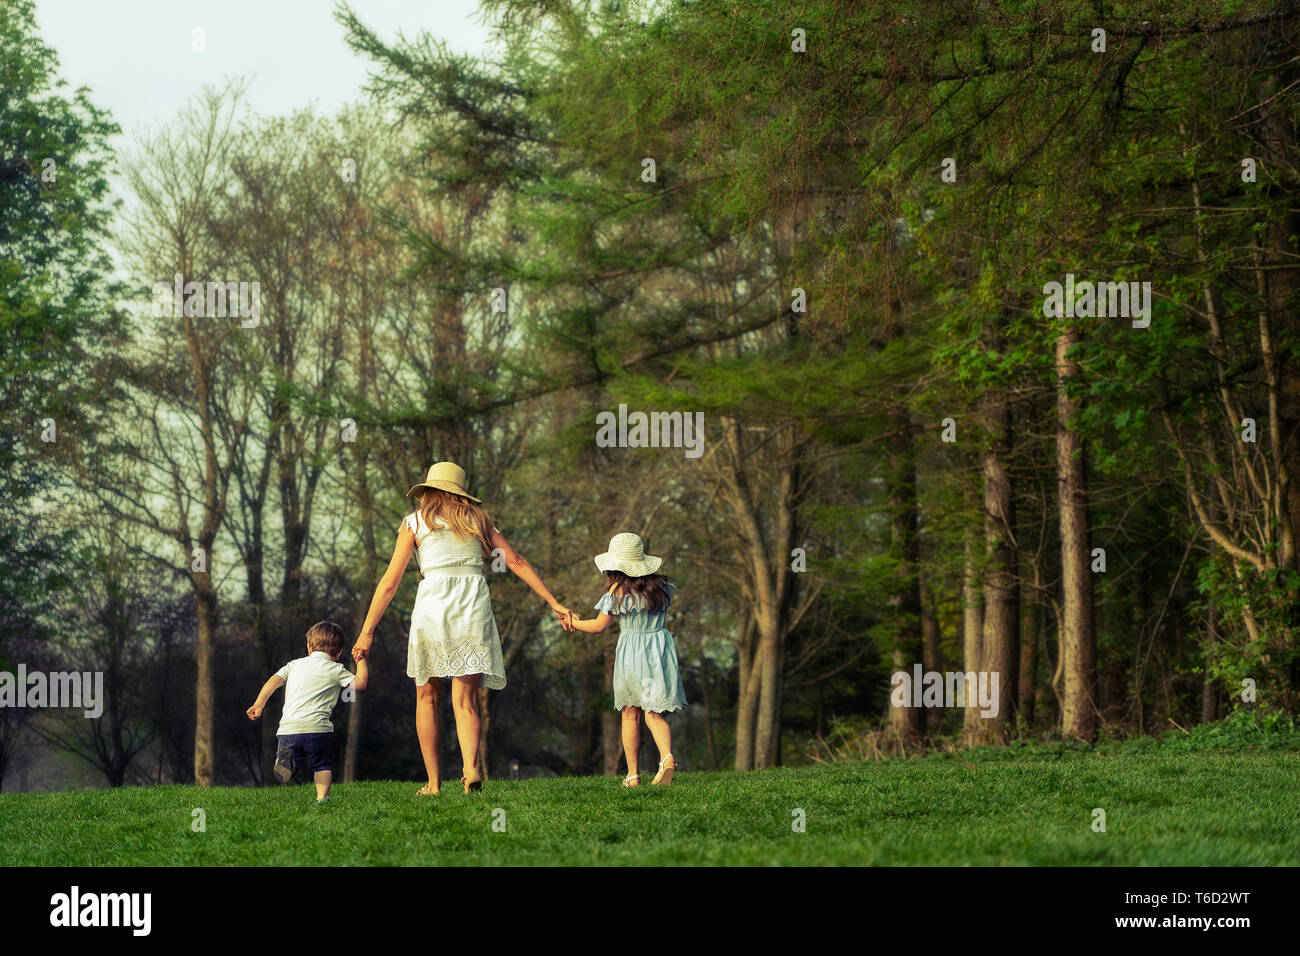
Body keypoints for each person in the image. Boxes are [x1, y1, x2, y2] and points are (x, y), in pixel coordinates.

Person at [352, 461, 573, 795]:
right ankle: (470, 768)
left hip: (433, 607)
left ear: (428, 491)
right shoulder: (478, 520)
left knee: (426, 697)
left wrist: (367, 630)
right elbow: (515, 562)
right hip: (472, 607)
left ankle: (434, 783)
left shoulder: (414, 523)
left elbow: (390, 582)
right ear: (459, 491)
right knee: (466, 699)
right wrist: (553, 602)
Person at [566, 532, 686, 787]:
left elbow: (599, 626)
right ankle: (667, 757)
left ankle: (632, 775)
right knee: (654, 713)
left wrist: (574, 623)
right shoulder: (662, 587)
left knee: (630, 714)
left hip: (632, 652)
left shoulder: (617, 590)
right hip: (660, 649)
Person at [247, 620, 366, 803]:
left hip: (289, 729)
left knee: (292, 757)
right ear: (339, 652)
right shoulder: (335, 669)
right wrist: (361, 661)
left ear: (309, 647)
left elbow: (273, 682)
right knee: (322, 765)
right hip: (317, 729)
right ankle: (322, 799)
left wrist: (259, 704)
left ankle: (289, 763)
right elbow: (360, 684)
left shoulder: (293, 665)